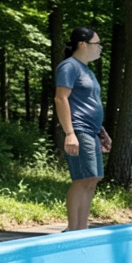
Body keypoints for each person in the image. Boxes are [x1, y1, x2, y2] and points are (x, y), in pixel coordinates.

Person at [54, 27, 111, 231]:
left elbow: (87, 103)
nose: (100, 48)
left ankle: (81, 228)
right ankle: (73, 229)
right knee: (82, 179)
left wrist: (100, 130)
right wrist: (70, 133)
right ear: (83, 44)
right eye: (97, 43)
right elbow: (61, 99)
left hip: (91, 130)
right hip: (78, 130)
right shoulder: (69, 67)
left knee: (93, 178)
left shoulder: (86, 70)